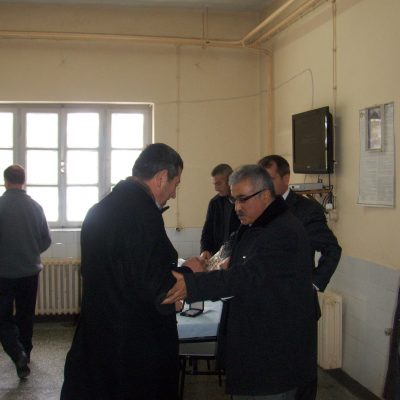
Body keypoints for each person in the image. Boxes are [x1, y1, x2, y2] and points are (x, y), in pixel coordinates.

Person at [163, 164, 317, 400]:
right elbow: (234, 264)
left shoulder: (282, 230)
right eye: (234, 200)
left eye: (243, 199)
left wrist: (192, 284)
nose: (237, 207)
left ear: (265, 195)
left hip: (274, 359)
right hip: (255, 349)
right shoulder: (255, 225)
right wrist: (205, 267)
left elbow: (247, 276)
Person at [61, 143, 190, 400]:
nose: (174, 194)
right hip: (133, 348)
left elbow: (121, 272)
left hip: (97, 336)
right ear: (161, 177)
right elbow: (158, 289)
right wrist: (189, 272)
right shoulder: (143, 215)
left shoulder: (100, 209)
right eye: (176, 184)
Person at [258, 154, 342, 400]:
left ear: (286, 178)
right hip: (266, 304)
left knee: (301, 373)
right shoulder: (259, 207)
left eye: (270, 178)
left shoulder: (306, 211)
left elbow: (332, 249)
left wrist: (313, 284)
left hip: (298, 307)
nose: (264, 185)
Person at [0, 165, 51, 379]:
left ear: (5, 181)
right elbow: (46, 240)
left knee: (2, 317)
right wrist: (30, 252)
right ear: (24, 181)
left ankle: (17, 352)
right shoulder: (36, 207)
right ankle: (26, 355)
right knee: (25, 314)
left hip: (3, 273)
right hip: (30, 270)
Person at [200, 163, 240, 261]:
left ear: (230, 180)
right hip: (217, 258)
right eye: (214, 184)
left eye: (218, 184)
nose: (216, 189)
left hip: (237, 257)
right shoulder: (214, 203)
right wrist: (205, 249)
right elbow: (207, 231)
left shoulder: (243, 202)